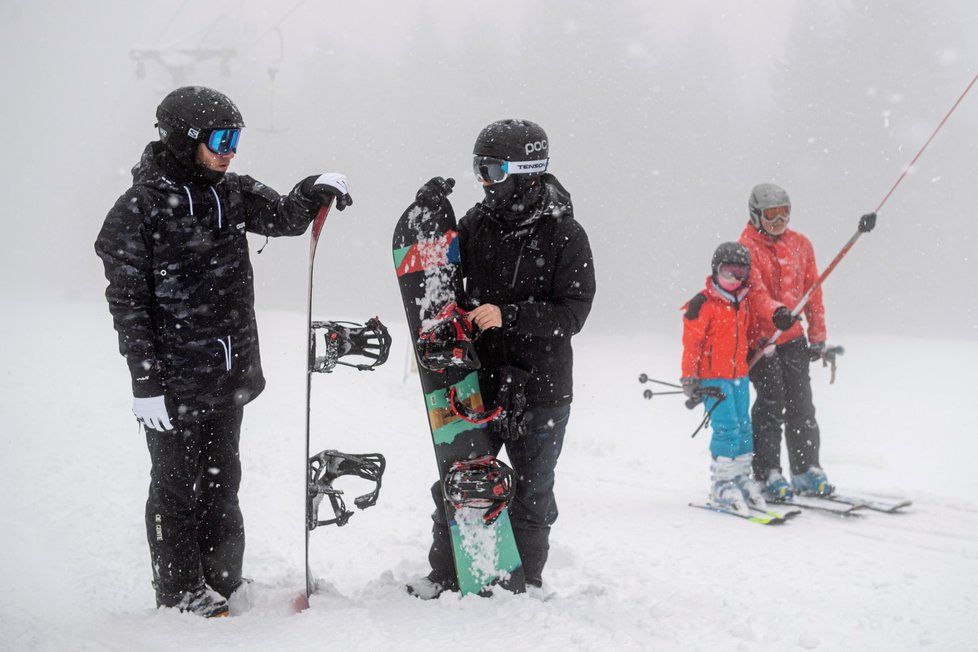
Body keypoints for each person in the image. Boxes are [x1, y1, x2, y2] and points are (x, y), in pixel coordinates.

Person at [94, 86, 352, 617]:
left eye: (236, 138)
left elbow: (284, 216)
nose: (230, 149)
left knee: (222, 483)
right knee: (175, 491)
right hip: (171, 385)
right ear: (185, 140)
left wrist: (313, 188)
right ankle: (179, 590)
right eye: (220, 139)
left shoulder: (230, 191)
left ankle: (224, 579)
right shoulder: (138, 210)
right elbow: (128, 304)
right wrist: (146, 384)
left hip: (227, 374)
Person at [408, 119, 596, 597]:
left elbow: (573, 311)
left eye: (491, 170)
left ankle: (525, 580)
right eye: (479, 170)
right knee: (459, 477)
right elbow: (443, 266)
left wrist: (509, 315)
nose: (484, 181)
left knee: (533, 490)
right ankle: (448, 572)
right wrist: (433, 215)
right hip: (479, 382)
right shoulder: (476, 224)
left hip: (543, 388)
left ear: (525, 171)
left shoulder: (566, 235)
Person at [738, 183, 832, 500]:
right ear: (756, 215)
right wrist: (775, 312)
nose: (779, 221)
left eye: (784, 213)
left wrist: (817, 334)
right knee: (770, 406)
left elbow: (812, 291)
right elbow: (754, 291)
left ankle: (807, 471)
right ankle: (767, 474)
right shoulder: (746, 247)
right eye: (771, 215)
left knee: (802, 406)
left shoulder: (801, 245)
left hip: (793, 338)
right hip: (762, 339)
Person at [681, 242, 766, 514]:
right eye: (728, 273)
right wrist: (689, 378)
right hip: (713, 380)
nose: (734, 279)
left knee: (743, 426)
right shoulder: (702, 304)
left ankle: (740, 477)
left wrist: (761, 343)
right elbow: (691, 344)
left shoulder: (743, 303)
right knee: (726, 428)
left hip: (739, 376)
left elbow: (748, 334)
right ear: (716, 271)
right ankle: (722, 483)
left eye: (741, 274)